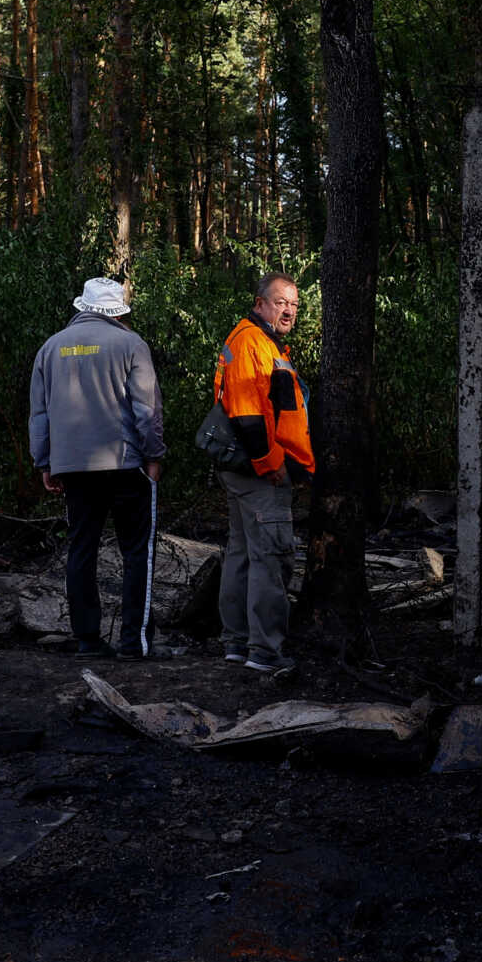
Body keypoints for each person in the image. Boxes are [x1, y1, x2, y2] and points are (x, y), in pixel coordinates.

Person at [28, 276, 165, 659]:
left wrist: (45, 462)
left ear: (81, 308)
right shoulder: (130, 344)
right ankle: (133, 643)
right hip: (124, 463)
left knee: (81, 550)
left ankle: (88, 640)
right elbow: (147, 410)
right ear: (118, 312)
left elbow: (39, 414)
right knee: (137, 552)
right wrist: (153, 457)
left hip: (73, 467)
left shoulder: (50, 349)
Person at [214, 273, 313, 674]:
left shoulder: (261, 341)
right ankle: (265, 651)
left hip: (246, 470)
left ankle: (238, 644)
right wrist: (271, 464)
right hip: (259, 473)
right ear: (259, 304)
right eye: (279, 302)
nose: (288, 310)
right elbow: (249, 416)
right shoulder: (251, 342)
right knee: (270, 557)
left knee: (242, 556)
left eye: (293, 304)